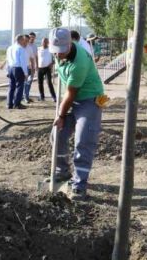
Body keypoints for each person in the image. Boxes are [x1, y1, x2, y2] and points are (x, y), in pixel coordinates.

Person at [48, 28, 104, 200]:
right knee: (57, 135)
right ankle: (62, 172)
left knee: (83, 140)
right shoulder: (58, 54)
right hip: (71, 96)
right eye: (55, 52)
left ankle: (79, 184)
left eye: (61, 52)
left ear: (70, 44)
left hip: (91, 98)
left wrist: (61, 115)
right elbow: (66, 88)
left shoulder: (80, 61)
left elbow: (71, 93)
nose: (58, 56)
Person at [5, 34, 28, 110]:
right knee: (19, 86)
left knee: (11, 87)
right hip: (18, 68)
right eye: (23, 40)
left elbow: (7, 60)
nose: (24, 41)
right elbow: (23, 62)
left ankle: (9, 104)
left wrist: (7, 70)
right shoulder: (21, 49)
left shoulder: (9, 48)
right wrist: (26, 73)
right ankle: (17, 104)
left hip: (11, 68)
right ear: (21, 40)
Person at [36, 37, 56, 102]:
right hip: (40, 68)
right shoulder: (38, 49)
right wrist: (36, 65)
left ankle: (54, 97)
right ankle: (42, 96)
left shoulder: (51, 50)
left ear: (48, 43)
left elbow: (55, 59)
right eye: (43, 41)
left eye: (46, 42)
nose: (44, 43)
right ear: (42, 42)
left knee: (49, 82)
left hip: (47, 68)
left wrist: (52, 64)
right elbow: (36, 57)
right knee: (40, 83)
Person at [23, 32, 38, 103]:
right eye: (30, 37)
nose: (31, 38)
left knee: (29, 83)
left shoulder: (34, 46)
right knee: (24, 82)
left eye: (33, 37)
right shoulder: (24, 46)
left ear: (35, 38)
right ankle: (24, 97)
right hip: (25, 67)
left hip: (31, 67)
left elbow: (35, 56)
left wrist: (35, 66)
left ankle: (27, 96)